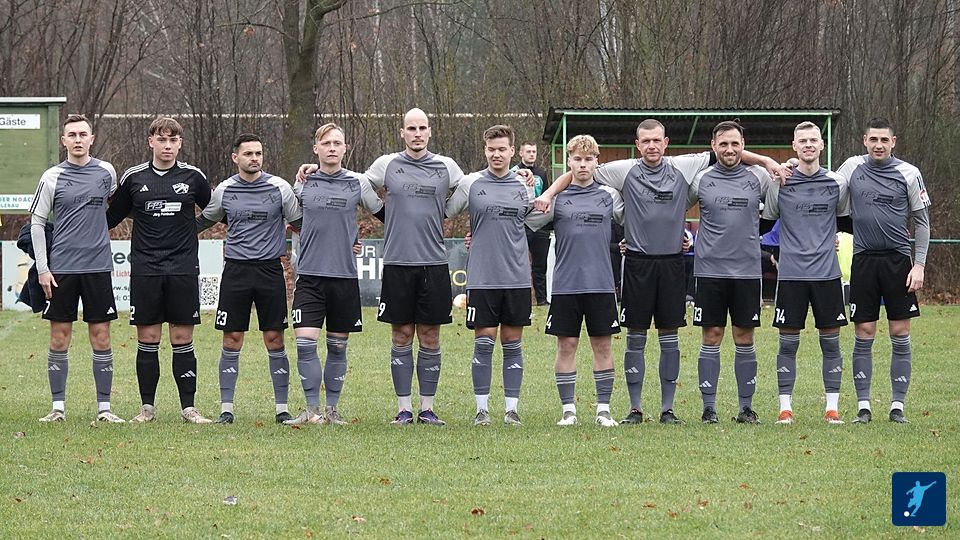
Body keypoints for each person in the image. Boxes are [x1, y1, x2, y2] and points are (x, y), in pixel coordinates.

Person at [536, 119, 784, 425]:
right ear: (637, 144)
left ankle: (669, 409)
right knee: (635, 337)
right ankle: (635, 409)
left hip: (672, 263)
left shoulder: (685, 166)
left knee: (670, 337)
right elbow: (577, 172)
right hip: (637, 263)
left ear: (666, 143)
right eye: (646, 141)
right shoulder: (623, 169)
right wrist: (548, 193)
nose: (652, 146)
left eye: (657, 140)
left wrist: (766, 160)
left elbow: (727, 152)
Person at [299, 108, 465, 425]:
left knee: (430, 336)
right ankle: (403, 409)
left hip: (434, 263)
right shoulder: (386, 165)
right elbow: (350, 183)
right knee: (401, 335)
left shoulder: (447, 166)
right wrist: (316, 168)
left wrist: (521, 175)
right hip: (397, 264)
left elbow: (475, 185)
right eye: (411, 128)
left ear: (430, 131)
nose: (417, 133)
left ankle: (427, 409)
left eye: (422, 128)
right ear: (402, 132)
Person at [106, 117, 213, 424]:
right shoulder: (134, 177)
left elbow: (218, 211)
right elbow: (109, 219)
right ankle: (147, 409)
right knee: (149, 337)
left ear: (180, 143)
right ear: (150, 141)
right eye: (162, 140)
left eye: (173, 140)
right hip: (146, 269)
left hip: (182, 268)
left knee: (181, 337)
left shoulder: (193, 177)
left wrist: (193, 227)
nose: (167, 146)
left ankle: (189, 408)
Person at [197, 133, 303, 424]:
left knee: (274, 338)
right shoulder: (224, 190)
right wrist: (167, 234)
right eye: (248, 154)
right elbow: (204, 220)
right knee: (232, 338)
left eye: (258, 153)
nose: (254, 158)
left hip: (270, 270)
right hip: (236, 271)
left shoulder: (280, 188)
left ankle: (282, 409)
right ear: (235, 158)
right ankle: (226, 409)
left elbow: (301, 222)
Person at [283, 123, 384, 426]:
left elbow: (387, 214)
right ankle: (311, 409)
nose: (331, 148)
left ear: (344, 148)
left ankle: (332, 410)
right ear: (316, 148)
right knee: (305, 343)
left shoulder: (357, 183)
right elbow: (288, 217)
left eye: (337, 143)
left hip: (343, 277)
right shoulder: (302, 183)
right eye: (326, 143)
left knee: (338, 347)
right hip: (310, 276)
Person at [30, 114, 123, 423]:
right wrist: (43, 268)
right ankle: (57, 408)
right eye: (72, 135)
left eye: (83, 134)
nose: (78, 139)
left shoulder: (107, 172)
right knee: (60, 337)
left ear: (92, 139)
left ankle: (105, 409)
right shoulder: (52, 176)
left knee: (101, 336)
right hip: (62, 269)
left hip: (98, 267)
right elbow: (37, 223)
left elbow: (116, 207)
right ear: (64, 141)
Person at [526, 135, 624, 426]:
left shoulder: (610, 196)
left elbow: (636, 221)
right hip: (566, 285)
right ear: (568, 161)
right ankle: (568, 410)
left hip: (601, 284)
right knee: (567, 345)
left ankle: (603, 410)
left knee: (602, 346)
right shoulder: (556, 199)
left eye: (588, 159)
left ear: (596, 162)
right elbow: (524, 223)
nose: (583, 165)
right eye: (577, 159)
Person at [837, 117, 930, 424]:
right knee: (864, 332)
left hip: (899, 262)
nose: (878, 145)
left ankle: (897, 406)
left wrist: (919, 265)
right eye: (873, 139)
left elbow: (922, 223)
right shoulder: (851, 167)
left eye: (884, 140)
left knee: (900, 332)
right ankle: (863, 407)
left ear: (893, 142)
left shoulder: (909, 173)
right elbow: (826, 191)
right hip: (864, 261)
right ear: (865, 140)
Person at [445, 125, 535, 426]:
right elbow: (444, 210)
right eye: (491, 149)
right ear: (485, 150)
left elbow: (535, 220)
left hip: (516, 277)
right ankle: (481, 410)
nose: (497, 154)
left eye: (502, 149)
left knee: (512, 343)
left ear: (512, 151)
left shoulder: (524, 184)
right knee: (483, 343)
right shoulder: (471, 183)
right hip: (482, 277)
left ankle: (511, 410)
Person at [762, 121, 850, 425]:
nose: (809, 145)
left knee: (831, 343)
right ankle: (785, 409)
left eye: (814, 140)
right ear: (794, 146)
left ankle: (832, 409)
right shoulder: (781, 182)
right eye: (803, 141)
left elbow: (844, 220)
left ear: (822, 145)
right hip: (791, 276)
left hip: (827, 275)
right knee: (788, 344)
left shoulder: (837, 183)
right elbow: (765, 222)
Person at [688, 120, 773, 424]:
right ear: (713, 146)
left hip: (747, 271)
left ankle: (745, 408)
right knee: (712, 335)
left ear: (743, 146)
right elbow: (673, 209)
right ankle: (709, 408)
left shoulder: (759, 177)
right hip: (710, 270)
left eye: (735, 143)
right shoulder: (701, 179)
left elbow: (782, 202)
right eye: (723, 144)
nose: (729, 149)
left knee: (744, 336)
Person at [515, 141, 551, 306]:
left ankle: (542, 300)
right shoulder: (513, 172)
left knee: (540, 265)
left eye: (534, 151)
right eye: (528, 151)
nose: (531, 154)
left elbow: (548, 195)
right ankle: (521, 300)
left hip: (541, 224)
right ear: (520, 153)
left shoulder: (542, 173)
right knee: (519, 263)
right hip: (521, 224)